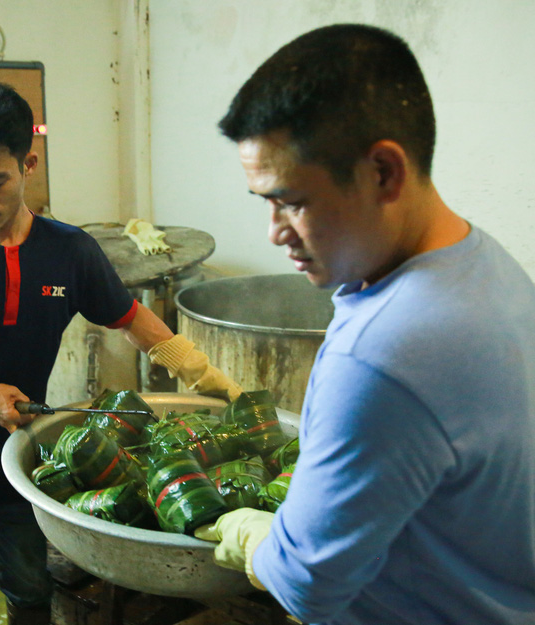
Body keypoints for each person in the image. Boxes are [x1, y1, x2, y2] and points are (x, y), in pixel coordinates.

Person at [0, 77, 241, 625]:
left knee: (29, 591)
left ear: (29, 165)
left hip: (17, 460)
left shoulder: (69, 252)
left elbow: (135, 322)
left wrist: (211, 382)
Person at [196, 23, 535, 625]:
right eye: (265, 202)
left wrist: (260, 540)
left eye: (292, 201)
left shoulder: (382, 354)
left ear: (384, 172)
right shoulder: (489, 265)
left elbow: (307, 586)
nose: (275, 233)